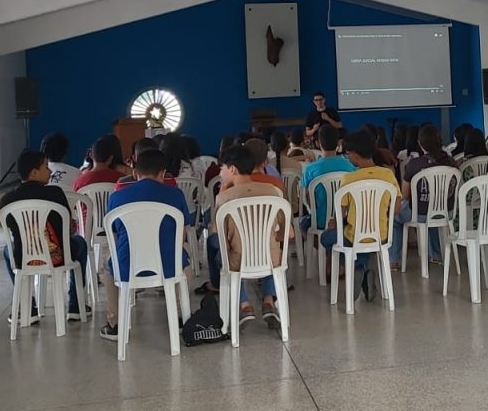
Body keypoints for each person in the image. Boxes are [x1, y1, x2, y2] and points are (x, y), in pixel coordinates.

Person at [98, 148, 193, 341]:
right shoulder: (176, 195)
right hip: (169, 266)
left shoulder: (117, 197)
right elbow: (182, 235)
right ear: (163, 174)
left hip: (127, 265)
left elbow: (113, 235)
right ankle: (181, 317)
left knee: (108, 265)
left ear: (135, 173)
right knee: (185, 265)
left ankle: (115, 324)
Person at [195, 145, 285, 328]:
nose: (220, 172)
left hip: (239, 260)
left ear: (233, 169)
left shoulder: (224, 198)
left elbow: (219, 237)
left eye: (222, 167)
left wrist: (223, 191)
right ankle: (268, 301)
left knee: (221, 253)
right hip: (271, 259)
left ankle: (244, 305)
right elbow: (287, 233)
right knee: (272, 249)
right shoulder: (273, 192)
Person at [0, 149, 89, 324]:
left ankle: (28, 307)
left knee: (6, 250)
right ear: (34, 172)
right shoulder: (55, 193)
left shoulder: (7, 200)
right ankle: (75, 306)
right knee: (81, 243)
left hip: (24, 258)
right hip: (59, 256)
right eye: (46, 167)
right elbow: (69, 229)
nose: (50, 172)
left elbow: (13, 231)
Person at [321, 130, 399, 300]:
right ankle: (365, 268)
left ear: (355, 155)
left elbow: (340, 214)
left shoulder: (349, 179)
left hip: (353, 236)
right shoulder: (388, 175)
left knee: (326, 238)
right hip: (381, 236)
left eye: (348, 154)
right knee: (364, 245)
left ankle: (359, 267)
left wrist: (333, 223)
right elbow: (397, 209)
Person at [392, 125, 457, 268]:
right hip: (447, 212)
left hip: (420, 213)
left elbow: (405, 195)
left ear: (420, 143)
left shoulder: (414, 164)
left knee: (394, 216)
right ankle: (435, 255)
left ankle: (393, 260)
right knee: (432, 212)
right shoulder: (452, 163)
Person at [298, 125, 356, 236]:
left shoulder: (310, 169)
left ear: (318, 143)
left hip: (320, 221)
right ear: (338, 143)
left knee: (302, 224)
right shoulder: (350, 166)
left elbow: (306, 197)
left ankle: (319, 245)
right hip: (346, 219)